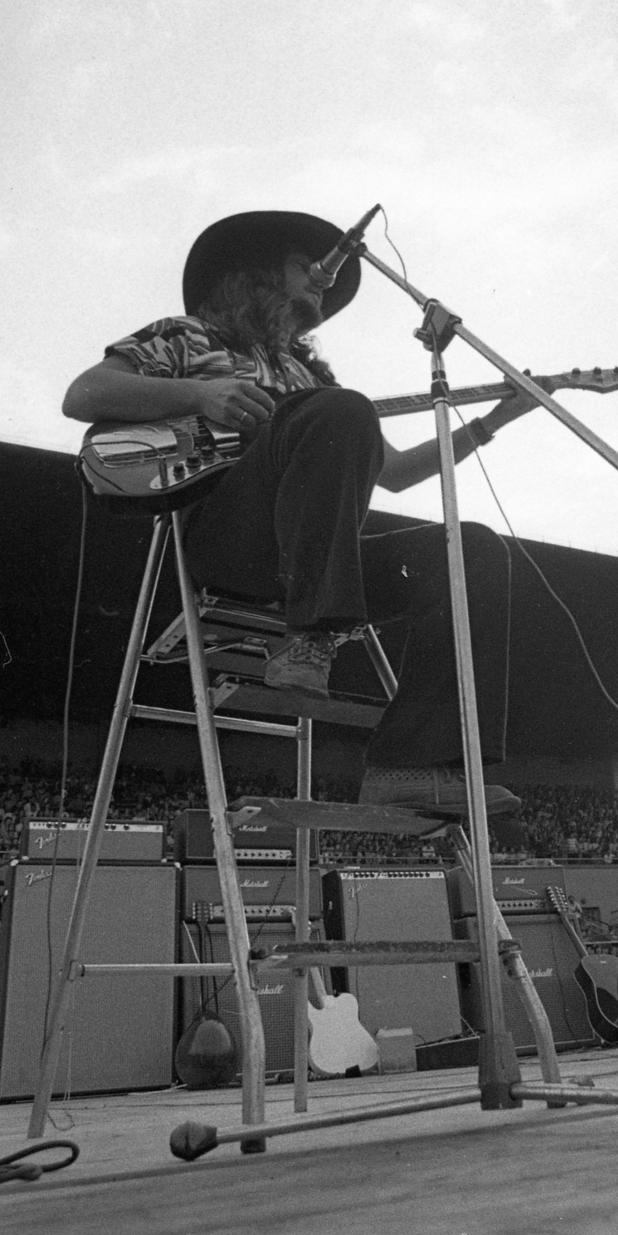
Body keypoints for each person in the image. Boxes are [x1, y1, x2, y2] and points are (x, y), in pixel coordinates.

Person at [63, 210, 555, 816]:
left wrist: (489, 423)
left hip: (316, 557)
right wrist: (200, 392)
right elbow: (83, 394)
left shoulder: (310, 374)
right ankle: (312, 635)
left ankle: (415, 763)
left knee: (471, 551)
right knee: (341, 410)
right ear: (257, 272)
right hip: (231, 540)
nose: (323, 279)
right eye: (305, 264)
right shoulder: (186, 336)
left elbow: (395, 474)